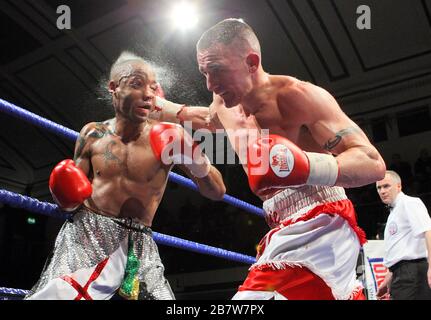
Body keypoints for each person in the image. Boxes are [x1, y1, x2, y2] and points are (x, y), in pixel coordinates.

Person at [155, 18, 386, 299]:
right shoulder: (223, 105)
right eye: (204, 72)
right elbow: (203, 118)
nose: (211, 84)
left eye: (216, 70)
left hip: (321, 220)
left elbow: (372, 162)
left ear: (251, 62)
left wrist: (306, 167)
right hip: (282, 224)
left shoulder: (298, 97)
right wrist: (154, 104)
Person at [25, 52, 226, 300]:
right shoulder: (92, 133)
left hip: (139, 245)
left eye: (153, 87)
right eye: (136, 83)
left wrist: (199, 162)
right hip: (87, 239)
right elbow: (71, 204)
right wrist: (63, 192)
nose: (148, 93)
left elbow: (217, 192)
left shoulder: (171, 137)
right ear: (114, 88)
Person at [375, 170, 431, 300]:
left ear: (399, 186)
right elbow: (398, 253)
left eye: (386, 186)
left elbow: (428, 230)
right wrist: (388, 279)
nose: (382, 191)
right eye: (379, 187)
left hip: (412, 272)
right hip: (402, 274)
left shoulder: (409, 202)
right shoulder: (394, 213)